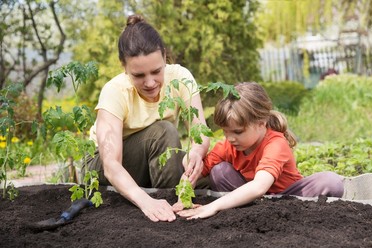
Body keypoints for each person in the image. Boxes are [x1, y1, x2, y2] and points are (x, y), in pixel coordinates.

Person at [84, 14, 209, 222]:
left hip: (150, 161)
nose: (150, 82)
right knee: (164, 133)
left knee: (207, 174)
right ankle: (162, 202)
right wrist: (146, 201)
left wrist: (197, 151)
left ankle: (171, 207)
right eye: (139, 75)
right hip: (105, 168)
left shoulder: (180, 78)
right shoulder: (114, 91)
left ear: (165, 57)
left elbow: (200, 132)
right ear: (124, 67)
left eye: (156, 71)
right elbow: (111, 164)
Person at [177, 82, 344, 219]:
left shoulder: (276, 144)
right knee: (219, 171)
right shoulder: (229, 146)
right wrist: (183, 194)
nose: (230, 138)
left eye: (238, 131)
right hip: (252, 203)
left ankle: (301, 215)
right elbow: (194, 170)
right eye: (225, 132)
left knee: (331, 181)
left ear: (261, 123)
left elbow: (259, 187)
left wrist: (212, 207)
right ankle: (240, 214)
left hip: (289, 197)